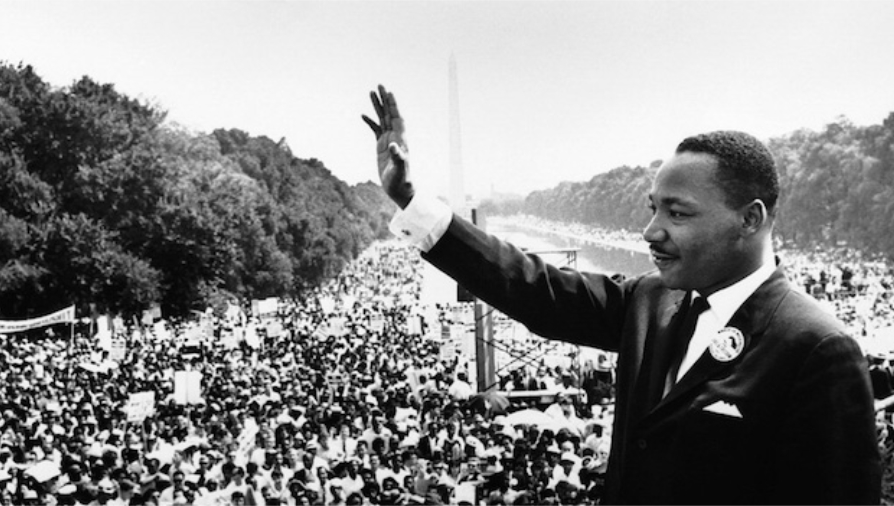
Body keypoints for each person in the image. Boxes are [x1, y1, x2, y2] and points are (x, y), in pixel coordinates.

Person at [362, 85, 882, 504]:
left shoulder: (816, 348)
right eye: (651, 208)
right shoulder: (650, 300)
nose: (650, 231)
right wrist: (412, 201)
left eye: (677, 213)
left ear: (750, 219)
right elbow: (531, 288)